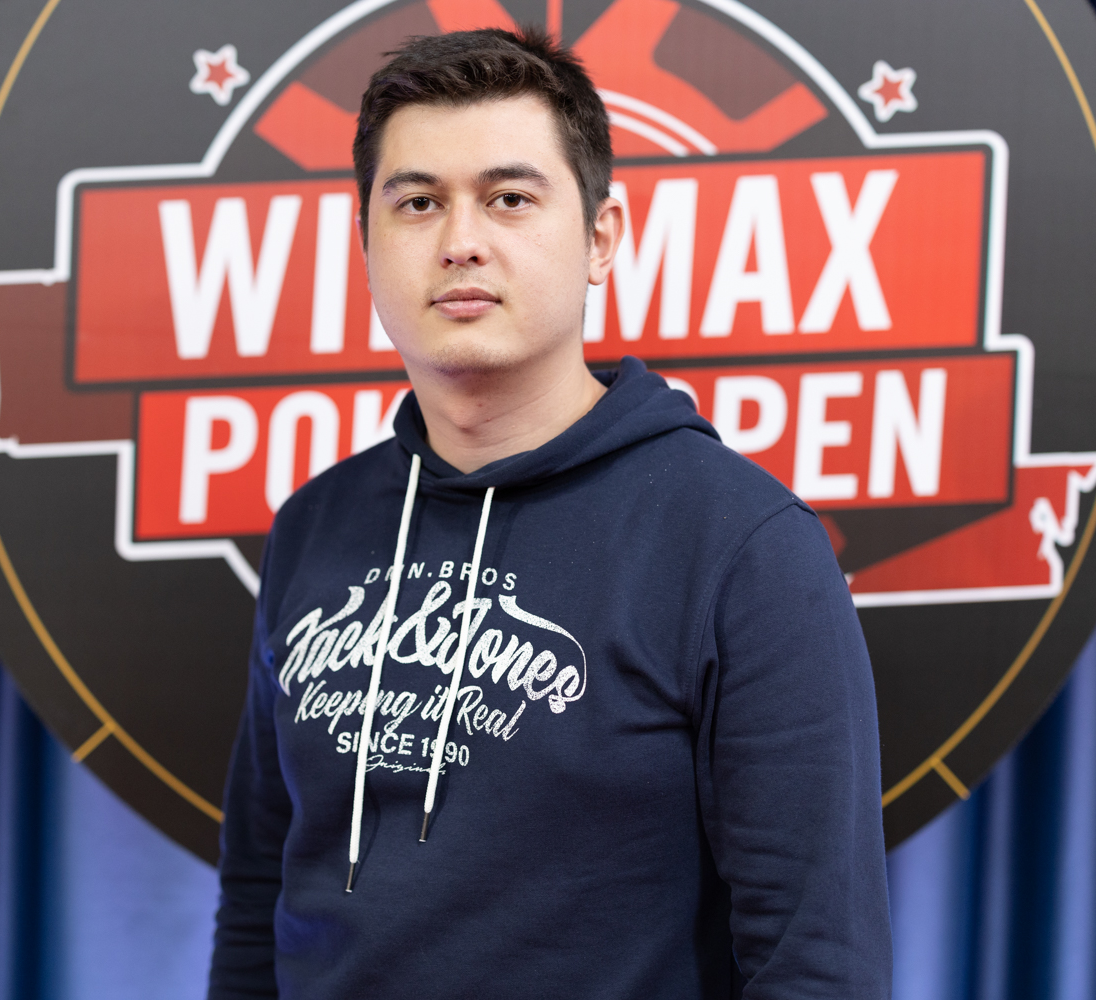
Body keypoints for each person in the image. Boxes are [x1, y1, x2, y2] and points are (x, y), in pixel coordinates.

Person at [208, 27, 890, 999]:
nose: (461, 241)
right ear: (365, 245)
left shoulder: (741, 545)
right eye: (417, 202)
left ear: (600, 238)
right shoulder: (315, 526)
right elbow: (258, 895)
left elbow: (815, 960)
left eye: (510, 198)